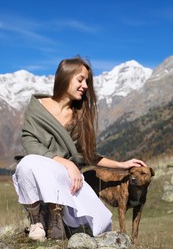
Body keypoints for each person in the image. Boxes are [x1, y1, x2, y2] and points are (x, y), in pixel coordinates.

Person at [12, 56, 147, 242]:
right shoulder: (37, 107)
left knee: (102, 221)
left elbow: (87, 156)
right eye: (80, 79)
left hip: (67, 179)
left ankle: (56, 217)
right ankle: (38, 221)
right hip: (43, 169)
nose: (85, 86)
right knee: (27, 164)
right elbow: (30, 143)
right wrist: (67, 163)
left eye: (87, 82)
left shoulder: (80, 116)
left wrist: (121, 165)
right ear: (65, 76)